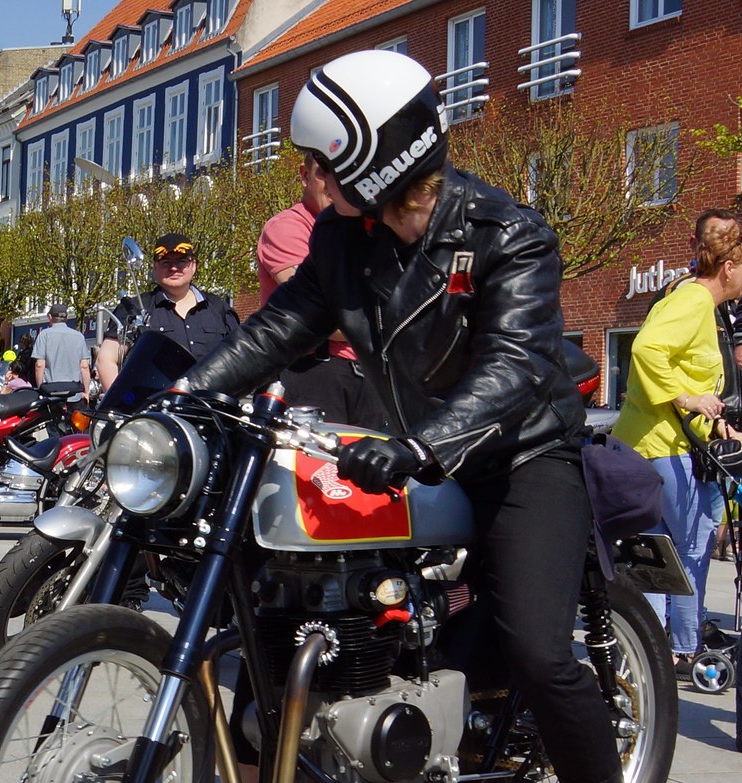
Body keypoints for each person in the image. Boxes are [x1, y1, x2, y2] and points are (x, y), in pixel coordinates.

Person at [184, 51, 623, 782]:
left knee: (541, 651)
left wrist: (420, 444)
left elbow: (512, 368)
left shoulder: (508, 234)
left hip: (519, 457)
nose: (316, 178)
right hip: (417, 454)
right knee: (295, 596)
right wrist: (182, 397)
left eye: (324, 164)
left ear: (369, 162)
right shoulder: (342, 242)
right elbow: (274, 332)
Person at [613, 211, 742, 678]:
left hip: (659, 444)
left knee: (659, 554)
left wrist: (714, 422)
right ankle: (677, 650)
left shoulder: (695, 303)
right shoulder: (692, 300)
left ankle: (656, 651)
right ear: (729, 266)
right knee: (685, 551)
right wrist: (685, 396)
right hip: (662, 449)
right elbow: (647, 350)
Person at [257, 153, 385, 429]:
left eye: (343, 173)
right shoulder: (287, 228)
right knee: (314, 469)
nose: (332, 183)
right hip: (315, 371)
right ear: (304, 175)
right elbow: (318, 315)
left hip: (369, 372)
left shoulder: (364, 228)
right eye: (322, 173)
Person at [95, 233, 239, 390]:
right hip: (155, 410)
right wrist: (123, 410)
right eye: (165, 262)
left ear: (193, 265)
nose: (174, 268)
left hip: (211, 408)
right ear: (155, 267)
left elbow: (240, 359)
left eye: (182, 261)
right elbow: (106, 359)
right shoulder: (134, 308)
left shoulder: (219, 309)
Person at [31, 303, 91, 403]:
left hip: (51, 393)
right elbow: (84, 366)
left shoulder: (44, 335)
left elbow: (39, 365)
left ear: (49, 316)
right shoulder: (79, 336)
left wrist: (41, 389)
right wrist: (86, 392)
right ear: (66, 317)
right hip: (74, 393)